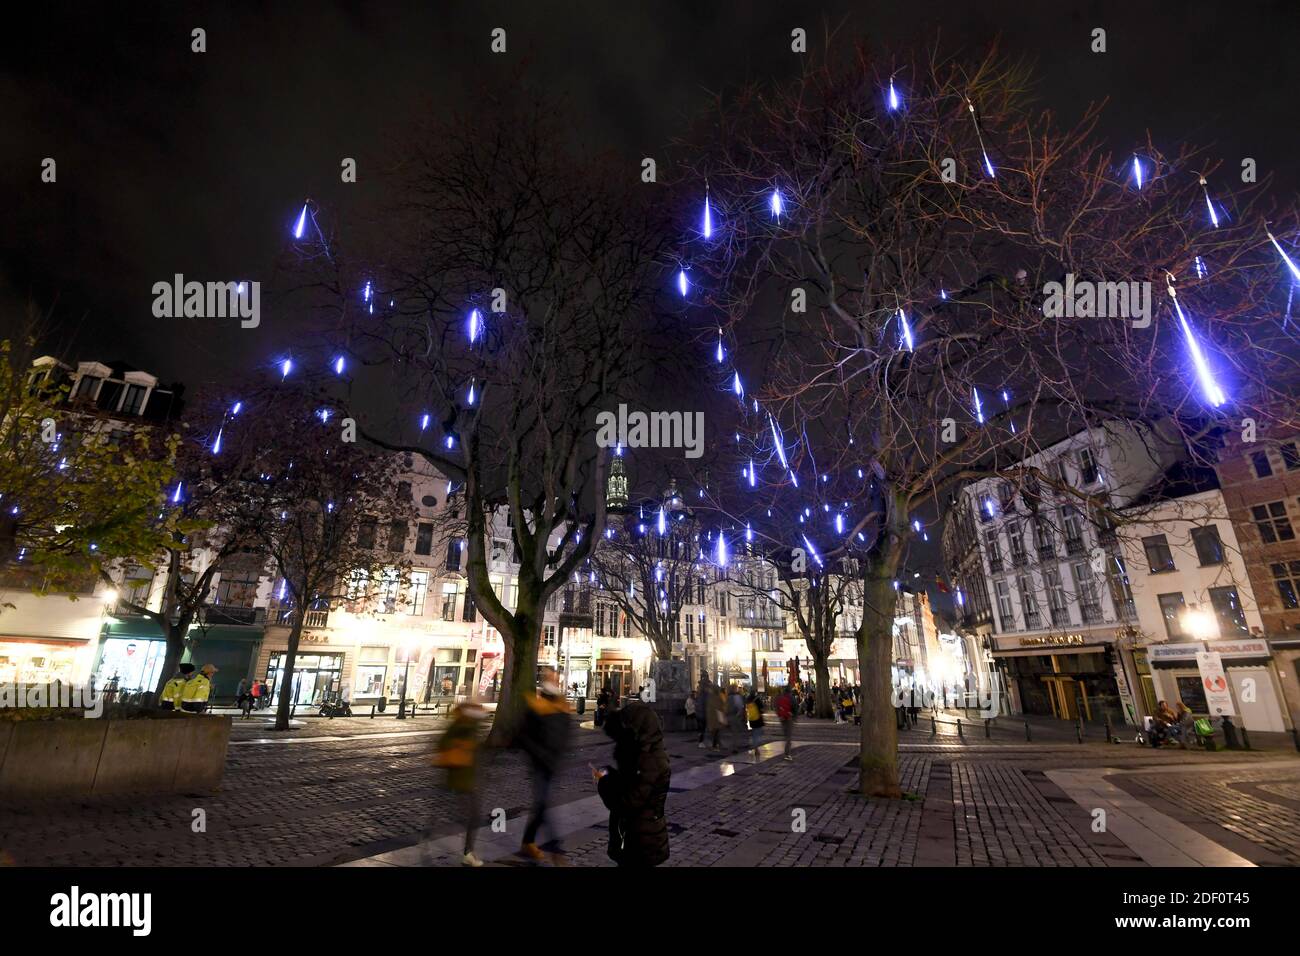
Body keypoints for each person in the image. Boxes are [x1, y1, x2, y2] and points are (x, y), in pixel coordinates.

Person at [593, 701, 671, 867]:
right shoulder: (642, 753)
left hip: (641, 839)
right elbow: (630, 783)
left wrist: (605, 783)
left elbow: (629, 801)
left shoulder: (649, 760)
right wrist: (611, 774)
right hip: (637, 835)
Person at [516, 667, 572, 862]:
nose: (553, 681)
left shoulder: (563, 706)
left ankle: (527, 842)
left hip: (553, 763)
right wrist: (539, 754)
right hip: (540, 763)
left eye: (555, 678)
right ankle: (556, 850)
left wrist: (561, 755)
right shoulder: (535, 705)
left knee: (541, 805)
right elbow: (523, 735)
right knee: (543, 804)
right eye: (549, 678)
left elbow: (566, 735)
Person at [432, 701, 487, 866]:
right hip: (461, 779)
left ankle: (430, 832)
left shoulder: (470, 726)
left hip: (466, 778)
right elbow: (443, 744)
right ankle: (468, 853)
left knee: (468, 814)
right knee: (473, 816)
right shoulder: (462, 727)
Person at [745, 689, 765, 762]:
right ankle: (756, 748)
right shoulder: (757, 699)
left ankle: (755, 747)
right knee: (758, 733)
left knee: (754, 733)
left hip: (751, 718)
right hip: (758, 718)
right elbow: (762, 709)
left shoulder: (747, 700)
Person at [775, 686, 795, 761]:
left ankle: (787, 750)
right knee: (788, 736)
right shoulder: (791, 697)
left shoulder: (780, 697)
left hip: (782, 718)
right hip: (789, 718)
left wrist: (780, 715)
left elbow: (776, 707)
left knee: (786, 734)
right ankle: (787, 753)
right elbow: (795, 708)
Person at [727, 684, 746, 752]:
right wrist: (739, 715)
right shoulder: (737, 697)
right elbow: (740, 707)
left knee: (733, 731)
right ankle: (735, 746)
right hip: (735, 716)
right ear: (735, 689)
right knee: (736, 732)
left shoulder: (728, 697)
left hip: (729, 716)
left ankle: (734, 745)